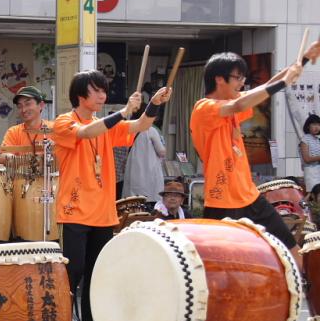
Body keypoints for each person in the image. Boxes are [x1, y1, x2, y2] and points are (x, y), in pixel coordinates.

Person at [54, 71, 171, 321]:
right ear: (80, 94)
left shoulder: (107, 125)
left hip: (103, 213)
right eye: (96, 90)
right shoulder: (64, 121)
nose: (102, 95)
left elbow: (141, 125)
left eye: (104, 90)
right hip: (74, 211)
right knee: (72, 273)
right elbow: (85, 133)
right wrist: (122, 112)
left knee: (98, 276)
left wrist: (153, 104)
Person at [190, 51, 311, 268]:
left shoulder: (232, 102)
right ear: (219, 79)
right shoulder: (204, 108)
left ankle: (306, 286)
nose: (242, 83)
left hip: (250, 196)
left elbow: (265, 88)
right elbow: (240, 105)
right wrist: (284, 82)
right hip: (222, 201)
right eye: (238, 77)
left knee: (289, 245)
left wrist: (302, 60)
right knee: (222, 265)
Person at [121, 115, 166, 206]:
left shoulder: (129, 130)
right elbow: (161, 152)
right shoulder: (151, 130)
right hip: (149, 173)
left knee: (133, 204)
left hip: (132, 172)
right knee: (149, 203)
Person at [0, 86, 53, 158]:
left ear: (41, 105)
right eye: (19, 106)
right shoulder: (14, 132)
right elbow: (2, 156)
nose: (23, 110)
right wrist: (22, 160)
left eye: (28, 104)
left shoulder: (55, 129)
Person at [299, 114, 320, 193]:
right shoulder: (305, 139)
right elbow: (306, 159)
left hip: (318, 169)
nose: (317, 127)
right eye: (314, 124)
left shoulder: (317, 139)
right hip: (310, 171)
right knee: (313, 193)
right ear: (308, 126)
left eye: (318, 124)